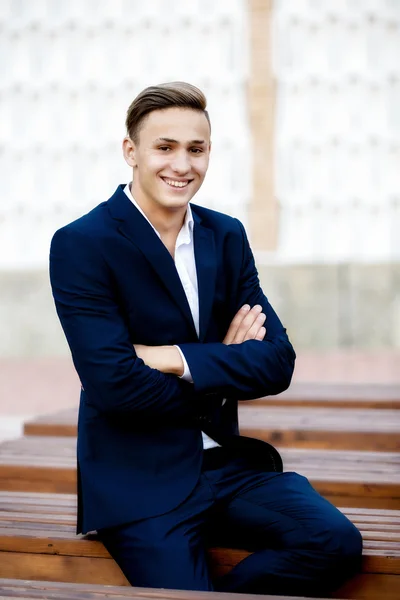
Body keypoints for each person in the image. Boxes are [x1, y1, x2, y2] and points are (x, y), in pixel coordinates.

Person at [50, 81, 362, 596]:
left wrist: (175, 358)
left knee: (334, 542)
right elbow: (115, 388)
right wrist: (224, 364)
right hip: (139, 482)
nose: (182, 164)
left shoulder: (226, 234)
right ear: (131, 152)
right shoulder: (82, 245)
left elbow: (277, 362)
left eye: (196, 149)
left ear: (209, 152)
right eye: (164, 147)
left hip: (228, 464)